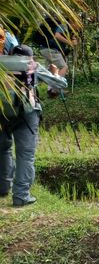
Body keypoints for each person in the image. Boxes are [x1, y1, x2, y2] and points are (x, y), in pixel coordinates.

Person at [0, 43, 67, 207]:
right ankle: (21, 196)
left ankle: (2, 187)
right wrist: (56, 73)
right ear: (30, 57)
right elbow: (61, 84)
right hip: (27, 115)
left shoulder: (2, 64)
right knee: (25, 155)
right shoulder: (33, 66)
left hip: (1, 114)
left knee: (3, 149)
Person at [32, 18, 76, 91]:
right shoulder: (63, 26)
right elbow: (57, 36)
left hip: (44, 49)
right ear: (72, 22)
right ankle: (56, 89)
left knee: (52, 69)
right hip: (51, 49)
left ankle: (51, 90)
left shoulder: (62, 27)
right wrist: (70, 43)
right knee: (63, 67)